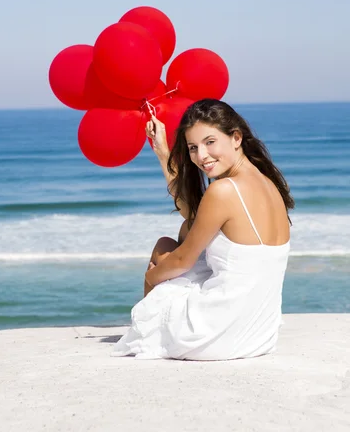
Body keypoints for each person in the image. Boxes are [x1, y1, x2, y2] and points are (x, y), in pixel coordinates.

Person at [112, 99, 294, 361]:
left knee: (164, 250)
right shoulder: (267, 182)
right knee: (185, 231)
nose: (201, 156)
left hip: (221, 337)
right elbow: (195, 217)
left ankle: (147, 332)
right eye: (193, 148)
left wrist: (150, 278)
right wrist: (163, 152)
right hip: (259, 334)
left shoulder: (223, 190)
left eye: (210, 142)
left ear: (236, 138)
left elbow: (182, 260)